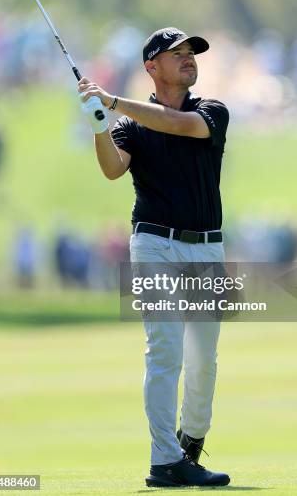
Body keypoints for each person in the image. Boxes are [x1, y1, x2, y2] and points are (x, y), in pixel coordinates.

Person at [78, 27, 230, 488]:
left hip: (206, 246)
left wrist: (115, 101)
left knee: (202, 359)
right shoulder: (128, 124)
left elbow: (181, 126)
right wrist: (101, 123)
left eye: (191, 53)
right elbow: (112, 169)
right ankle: (165, 460)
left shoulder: (211, 111)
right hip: (153, 244)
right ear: (152, 66)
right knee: (164, 350)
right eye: (176, 53)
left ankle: (189, 443)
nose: (188, 58)